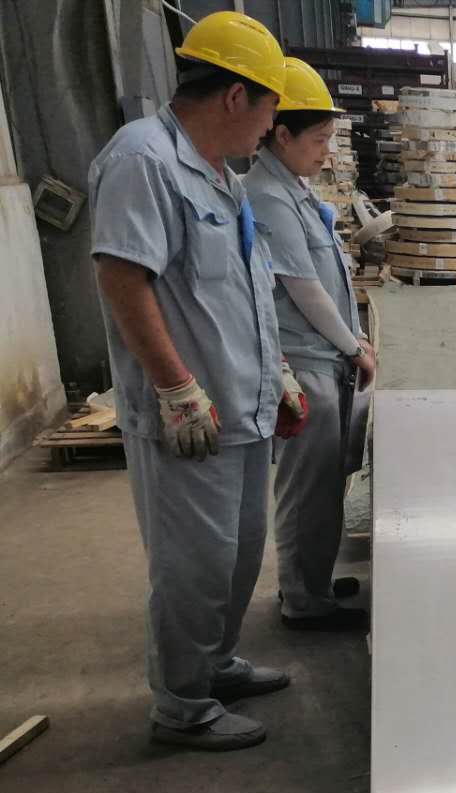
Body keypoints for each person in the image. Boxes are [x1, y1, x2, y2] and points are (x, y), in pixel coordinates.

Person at [89, 11, 291, 751]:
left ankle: (216, 665)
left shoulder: (221, 178)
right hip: (191, 417)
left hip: (242, 407)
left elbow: (240, 290)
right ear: (236, 96)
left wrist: (278, 371)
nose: (270, 128)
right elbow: (123, 276)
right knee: (193, 566)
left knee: (237, 556)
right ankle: (181, 706)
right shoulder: (143, 160)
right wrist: (175, 387)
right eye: (269, 110)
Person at [245, 57, 376, 633]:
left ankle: (313, 583)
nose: (326, 151)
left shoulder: (292, 191)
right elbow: (303, 288)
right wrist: (354, 346)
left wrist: (352, 341)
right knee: (306, 489)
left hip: (325, 361)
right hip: (307, 364)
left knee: (323, 485)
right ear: (282, 134)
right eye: (319, 139)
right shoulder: (268, 197)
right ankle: (302, 599)